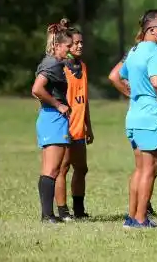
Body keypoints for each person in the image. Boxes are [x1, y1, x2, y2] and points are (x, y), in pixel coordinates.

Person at [119, 9, 157, 228]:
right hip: (152, 117)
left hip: (134, 115)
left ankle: (132, 218)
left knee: (140, 169)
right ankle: (141, 218)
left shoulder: (134, 50)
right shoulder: (156, 53)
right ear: (151, 30)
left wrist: (136, 93)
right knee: (150, 170)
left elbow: (120, 76)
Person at [32, 20, 73, 223]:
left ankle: (47, 214)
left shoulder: (52, 62)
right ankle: (47, 215)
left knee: (51, 168)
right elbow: (37, 89)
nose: (70, 49)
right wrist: (59, 105)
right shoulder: (52, 63)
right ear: (57, 46)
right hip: (53, 117)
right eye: (67, 46)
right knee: (52, 169)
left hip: (49, 117)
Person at [55, 26, 93, 221]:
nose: (79, 46)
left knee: (82, 168)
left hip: (79, 127)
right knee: (62, 168)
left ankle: (79, 209)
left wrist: (89, 126)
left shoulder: (83, 67)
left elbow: (84, 100)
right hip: (64, 126)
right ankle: (63, 211)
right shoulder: (60, 67)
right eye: (75, 43)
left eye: (81, 42)